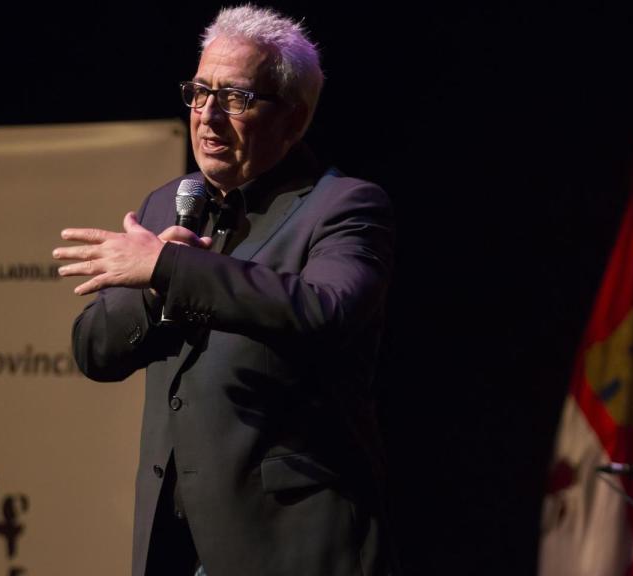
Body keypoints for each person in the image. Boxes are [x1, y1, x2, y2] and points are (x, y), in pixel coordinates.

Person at [52, 5, 394, 575]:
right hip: (174, 544)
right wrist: (155, 294)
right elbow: (94, 352)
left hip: (287, 543)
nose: (207, 116)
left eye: (236, 98)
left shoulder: (343, 207)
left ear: (295, 118)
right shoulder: (168, 203)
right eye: (198, 92)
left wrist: (169, 269)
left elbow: (325, 310)